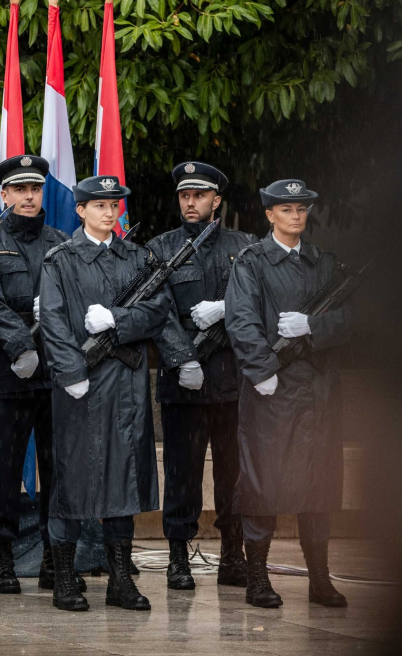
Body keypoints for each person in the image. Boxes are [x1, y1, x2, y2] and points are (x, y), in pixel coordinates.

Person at [40, 176, 172, 612]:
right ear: (80, 210)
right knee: (72, 482)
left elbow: (158, 310)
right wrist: (71, 372)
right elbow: (53, 322)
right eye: (99, 205)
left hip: (126, 389)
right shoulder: (60, 260)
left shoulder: (137, 257)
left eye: (114, 205)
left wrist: (117, 318)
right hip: (81, 387)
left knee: (123, 481)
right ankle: (64, 578)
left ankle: (121, 581)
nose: (109, 212)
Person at [225, 179, 352, 609]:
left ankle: (320, 579)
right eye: (286, 209)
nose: (296, 216)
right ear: (269, 215)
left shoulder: (324, 263)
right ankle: (257, 578)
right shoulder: (251, 262)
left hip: (317, 392)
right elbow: (241, 320)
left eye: (301, 209)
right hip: (273, 392)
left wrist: (314, 326)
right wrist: (261, 371)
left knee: (319, 482)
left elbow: (353, 318)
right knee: (263, 482)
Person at [147, 162, 257, 591]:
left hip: (231, 384)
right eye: (184, 195)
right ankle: (178, 558)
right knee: (182, 474)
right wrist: (184, 359)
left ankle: (233, 555)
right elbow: (157, 311)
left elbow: (258, 304)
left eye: (199, 195)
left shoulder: (244, 247)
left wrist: (228, 309)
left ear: (217, 200)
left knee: (234, 473)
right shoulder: (160, 248)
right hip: (183, 385)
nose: (190, 202)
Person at [0, 155, 74, 594]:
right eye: (20, 189)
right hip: (11, 373)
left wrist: (54, 311)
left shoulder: (62, 243)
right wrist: (20, 343)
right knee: (4, 469)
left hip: (55, 373)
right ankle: (2, 558)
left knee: (57, 470)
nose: (29, 197)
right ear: (4, 195)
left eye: (35, 188)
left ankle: (55, 558)